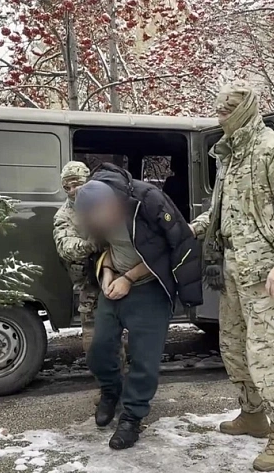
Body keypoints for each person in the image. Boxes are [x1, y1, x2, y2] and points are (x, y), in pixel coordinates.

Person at [189, 81, 274, 472]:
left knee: (265, 355)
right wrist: (201, 224)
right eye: (218, 111)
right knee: (232, 347)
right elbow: (231, 207)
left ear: (243, 112)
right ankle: (253, 414)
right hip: (232, 271)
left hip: (264, 274)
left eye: (225, 112)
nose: (219, 118)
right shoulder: (229, 155)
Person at [75, 163, 202, 450]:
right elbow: (103, 248)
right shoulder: (94, 211)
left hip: (150, 287)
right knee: (99, 350)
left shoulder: (147, 202)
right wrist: (107, 274)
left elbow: (172, 248)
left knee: (144, 360)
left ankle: (132, 417)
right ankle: (111, 391)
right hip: (114, 283)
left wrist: (129, 278)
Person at [53, 161, 122, 406]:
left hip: (120, 279)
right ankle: (107, 388)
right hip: (90, 286)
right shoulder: (65, 215)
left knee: (123, 337)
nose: (73, 190)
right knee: (94, 341)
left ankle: (126, 387)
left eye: (77, 184)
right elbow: (65, 247)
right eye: (67, 186)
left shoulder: (107, 202)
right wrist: (91, 244)